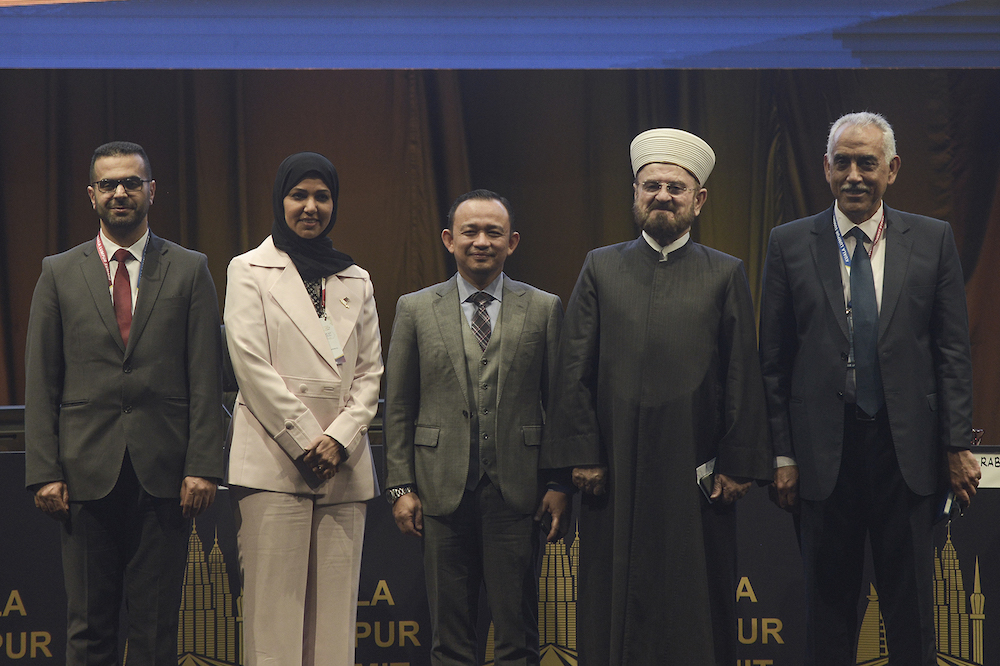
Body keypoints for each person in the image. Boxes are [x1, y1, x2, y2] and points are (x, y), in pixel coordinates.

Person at [759, 111, 981, 665]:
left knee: (912, 614)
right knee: (827, 614)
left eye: (867, 162)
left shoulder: (932, 239)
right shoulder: (789, 243)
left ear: (893, 168)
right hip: (822, 455)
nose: (854, 175)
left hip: (907, 453)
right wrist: (782, 454)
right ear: (826, 168)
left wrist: (957, 445)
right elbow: (774, 362)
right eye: (843, 162)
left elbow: (953, 352)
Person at [544, 128, 772, 665]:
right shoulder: (600, 266)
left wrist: (737, 464)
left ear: (699, 199)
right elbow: (573, 367)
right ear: (635, 193)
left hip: (696, 468)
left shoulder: (725, 272)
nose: (663, 196)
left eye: (676, 187)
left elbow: (742, 372)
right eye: (652, 186)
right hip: (613, 468)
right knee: (613, 600)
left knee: (696, 600)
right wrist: (582, 454)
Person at [24, 140, 226, 665]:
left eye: (131, 183)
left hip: (166, 478)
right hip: (83, 478)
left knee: (156, 632)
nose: (120, 192)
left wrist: (203, 465)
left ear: (151, 191)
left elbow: (207, 377)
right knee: (88, 630)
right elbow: (41, 381)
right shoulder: (57, 272)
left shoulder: (190, 269)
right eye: (108, 184)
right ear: (91, 194)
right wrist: (44, 471)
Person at [384, 189, 570, 666]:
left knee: (517, 637)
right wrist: (400, 486)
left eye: (494, 232)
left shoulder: (544, 307)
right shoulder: (415, 308)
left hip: (518, 493)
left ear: (512, 242)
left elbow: (561, 405)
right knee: (449, 641)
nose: (482, 241)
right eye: (471, 231)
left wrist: (558, 482)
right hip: (440, 491)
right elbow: (399, 406)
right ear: (449, 239)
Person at [224, 152, 382, 665]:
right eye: (299, 196)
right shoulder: (248, 269)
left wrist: (338, 440)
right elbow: (250, 365)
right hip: (274, 463)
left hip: (343, 466)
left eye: (322, 197)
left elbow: (370, 375)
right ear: (280, 200)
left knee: (334, 631)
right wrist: (307, 442)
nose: (311, 207)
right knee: (273, 627)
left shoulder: (356, 277)